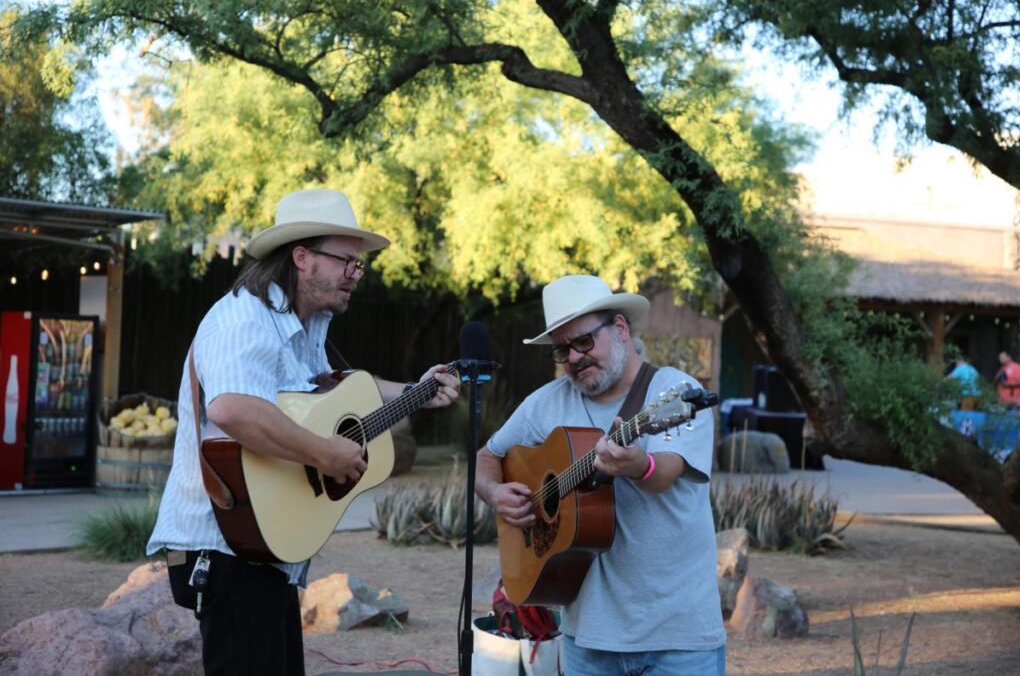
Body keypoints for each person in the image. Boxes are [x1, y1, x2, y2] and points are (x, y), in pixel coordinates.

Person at [146, 188, 461, 675]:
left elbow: (339, 394)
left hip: (266, 547)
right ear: (302, 258)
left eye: (360, 266)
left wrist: (413, 391)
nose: (356, 275)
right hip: (226, 546)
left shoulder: (305, 324)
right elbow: (232, 409)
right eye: (347, 263)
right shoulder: (244, 319)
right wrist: (323, 454)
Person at [475, 275, 726, 675]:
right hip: (587, 640)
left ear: (621, 329)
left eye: (584, 342)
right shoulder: (547, 404)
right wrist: (493, 492)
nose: (573, 358)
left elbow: (664, 473)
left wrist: (636, 464)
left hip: (678, 640)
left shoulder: (674, 392)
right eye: (562, 350)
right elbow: (488, 455)